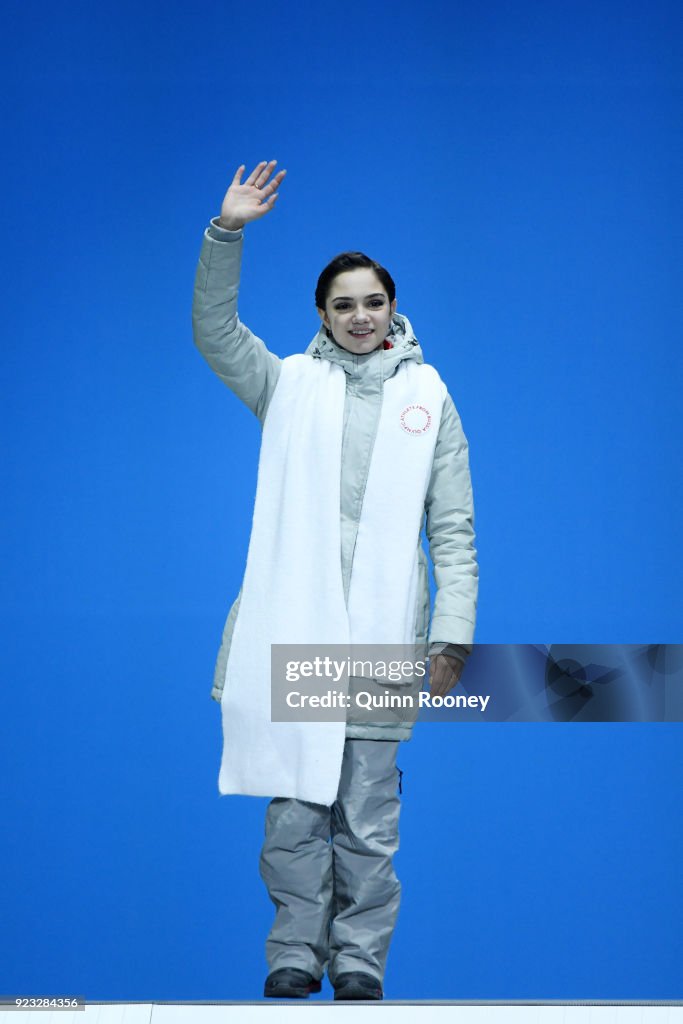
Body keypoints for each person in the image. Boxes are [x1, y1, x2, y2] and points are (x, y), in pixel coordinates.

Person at [192, 160, 478, 1001]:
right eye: (343, 303)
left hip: (386, 635)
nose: (359, 315)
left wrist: (451, 632)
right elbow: (214, 332)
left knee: (368, 818)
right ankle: (292, 955)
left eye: (373, 301)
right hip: (296, 629)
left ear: (393, 309)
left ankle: (357, 964)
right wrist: (226, 233)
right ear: (322, 315)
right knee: (293, 815)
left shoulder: (429, 397)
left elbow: (453, 528)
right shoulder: (287, 385)